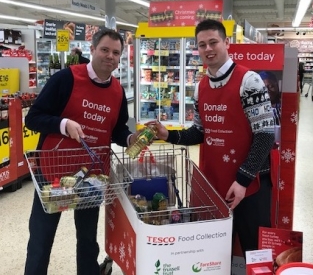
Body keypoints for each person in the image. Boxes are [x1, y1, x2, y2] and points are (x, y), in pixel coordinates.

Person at [149, 19, 275, 258]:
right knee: (216, 254)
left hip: (250, 185)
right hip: (215, 183)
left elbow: (265, 135)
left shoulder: (250, 81)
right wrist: (168, 135)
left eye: (213, 42)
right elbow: (199, 132)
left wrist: (242, 180)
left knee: (255, 253)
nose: (208, 49)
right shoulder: (201, 88)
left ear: (227, 43)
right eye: (202, 44)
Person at [24, 28, 140, 275]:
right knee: (41, 239)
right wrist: (63, 124)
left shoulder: (118, 92)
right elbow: (33, 118)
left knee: (88, 240)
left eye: (116, 53)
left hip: (92, 178)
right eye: (105, 50)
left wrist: (130, 138)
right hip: (53, 173)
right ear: (93, 50)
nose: (110, 56)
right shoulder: (66, 79)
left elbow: (118, 130)